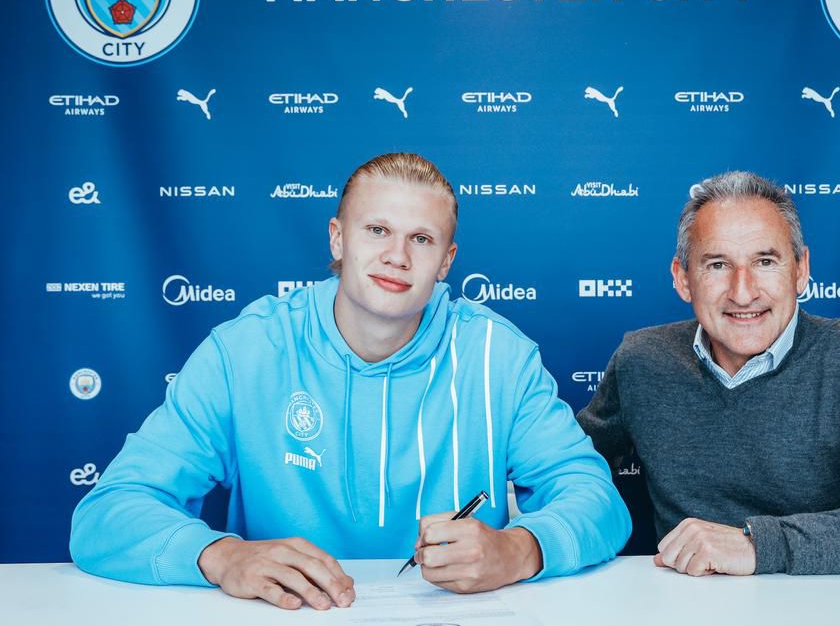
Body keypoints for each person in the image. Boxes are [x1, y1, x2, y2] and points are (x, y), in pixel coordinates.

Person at [71, 153, 630, 609]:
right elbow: (108, 512)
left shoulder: (497, 354)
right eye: (378, 229)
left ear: (446, 262)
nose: (396, 256)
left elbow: (597, 499)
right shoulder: (245, 350)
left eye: (421, 239)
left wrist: (520, 548)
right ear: (338, 239)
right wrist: (222, 556)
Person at [577, 170, 840, 576]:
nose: (743, 291)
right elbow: (564, 471)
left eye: (765, 261)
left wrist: (758, 545)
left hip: (834, 609)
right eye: (717, 264)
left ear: (800, 270)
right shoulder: (642, 360)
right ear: (682, 278)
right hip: (688, 607)